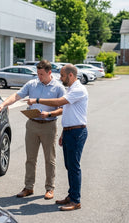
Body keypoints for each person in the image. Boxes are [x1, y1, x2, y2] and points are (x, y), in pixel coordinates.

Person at [0, 60, 65, 200]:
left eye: (42, 74)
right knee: (30, 158)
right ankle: (28, 187)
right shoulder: (32, 84)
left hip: (49, 126)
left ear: (50, 73)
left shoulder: (58, 87)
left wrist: (49, 114)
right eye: (37, 73)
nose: (39, 76)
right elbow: (16, 96)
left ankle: (50, 188)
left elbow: (64, 108)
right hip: (32, 124)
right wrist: (3, 104)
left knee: (49, 159)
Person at [25, 63, 88, 211]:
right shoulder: (71, 88)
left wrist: (37, 100)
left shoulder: (78, 89)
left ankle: (75, 201)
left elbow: (60, 103)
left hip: (77, 132)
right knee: (69, 166)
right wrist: (63, 132)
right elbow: (66, 111)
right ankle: (71, 196)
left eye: (62, 75)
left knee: (74, 167)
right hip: (70, 131)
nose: (60, 78)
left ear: (70, 75)